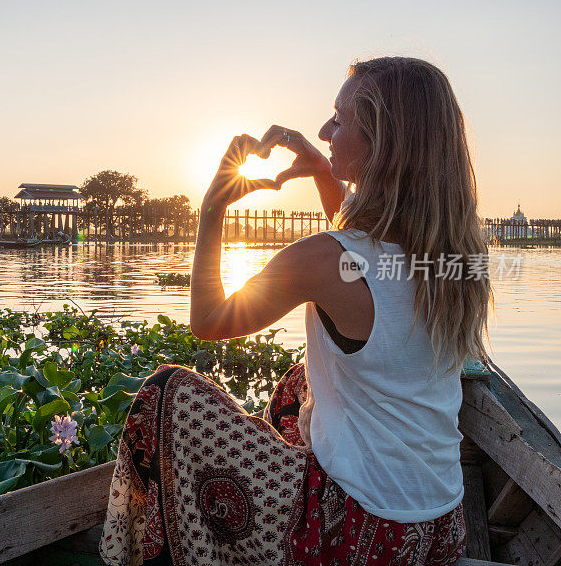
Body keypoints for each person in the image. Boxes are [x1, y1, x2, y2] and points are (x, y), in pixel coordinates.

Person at [100, 57, 492, 565]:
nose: (326, 130)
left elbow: (210, 319)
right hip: (438, 529)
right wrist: (325, 174)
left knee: (165, 394)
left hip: (353, 534)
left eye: (340, 118)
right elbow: (366, 266)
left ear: (381, 143)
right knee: (295, 386)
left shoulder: (323, 258)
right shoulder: (453, 258)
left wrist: (212, 209)